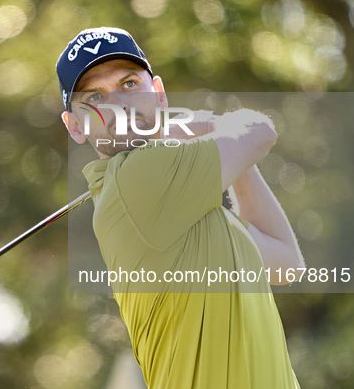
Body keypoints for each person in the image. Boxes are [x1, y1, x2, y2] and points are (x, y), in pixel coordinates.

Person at [56, 27, 306, 389]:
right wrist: (198, 128)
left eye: (128, 85)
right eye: (95, 97)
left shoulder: (193, 207)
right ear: (75, 126)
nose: (119, 105)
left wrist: (218, 154)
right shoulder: (134, 181)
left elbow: (286, 263)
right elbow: (259, 131)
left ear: (158, 95)